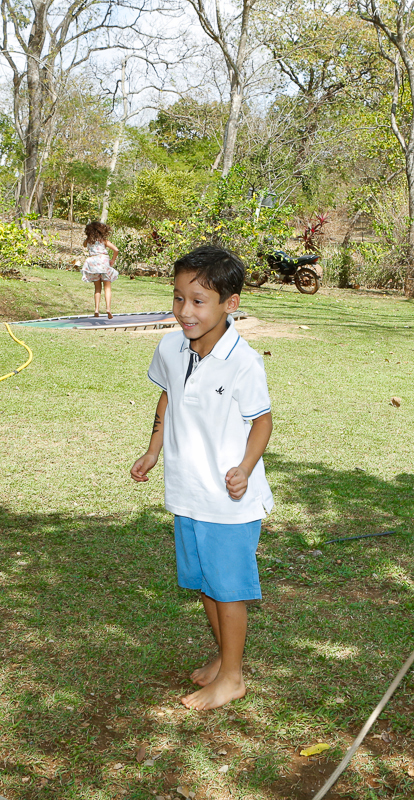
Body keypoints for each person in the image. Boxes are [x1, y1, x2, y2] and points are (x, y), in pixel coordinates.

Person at [131, 246, 274, 711]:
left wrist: (244, 469)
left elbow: (262, 422)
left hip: (228, 502)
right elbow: (168, 398)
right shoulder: (170, 348)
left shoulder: (243, 362)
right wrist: (153, 450)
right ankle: (223, 659)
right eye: (178, 298)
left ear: (230, 304)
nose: (185, 311)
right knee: (207, 583)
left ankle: (232, 678)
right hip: (188, 492)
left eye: (198, 301)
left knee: (227, 589)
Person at [81, 221, 119, 318]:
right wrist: (113, 260)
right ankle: (108, 308)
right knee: (107, 287)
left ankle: (96, 309)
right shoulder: (103, 241)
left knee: (97, 288)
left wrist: (89, 237)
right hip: (103, 262)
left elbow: (84, 245)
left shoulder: (88, 241)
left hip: (92, 263)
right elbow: (116, 250)